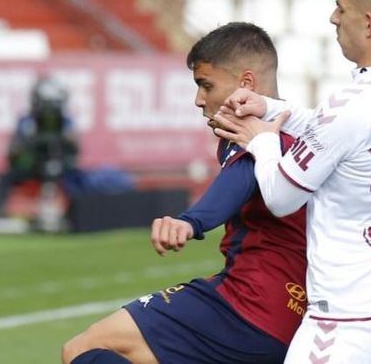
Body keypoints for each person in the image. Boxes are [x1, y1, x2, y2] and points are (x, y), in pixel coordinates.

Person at [213, 0, 371, 363]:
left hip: (350, 319)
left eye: (341, 8)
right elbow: (340, 134)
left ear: (368, 23)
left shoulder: (351, 105)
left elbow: (282, 198)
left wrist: (260, 138)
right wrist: (273, 108)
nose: (334, 18)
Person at [61, 22, 307, 364]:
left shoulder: (260, 136)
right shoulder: (304, 132)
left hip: (248, 308)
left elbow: (241, 177)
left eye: (206, 85)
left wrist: (190, 222)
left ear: (246, 84)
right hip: (294, 317)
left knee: (83, 350)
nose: (198, 100)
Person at [0, 77, 79, 225]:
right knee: (6, 178)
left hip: (58, 166)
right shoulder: (27, 122)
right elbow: (13, 152)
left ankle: (70, 211)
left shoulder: (65, 122)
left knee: (73, 178)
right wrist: (28, 144)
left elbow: (75, 149)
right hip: (32, 166)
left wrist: (64, 142)